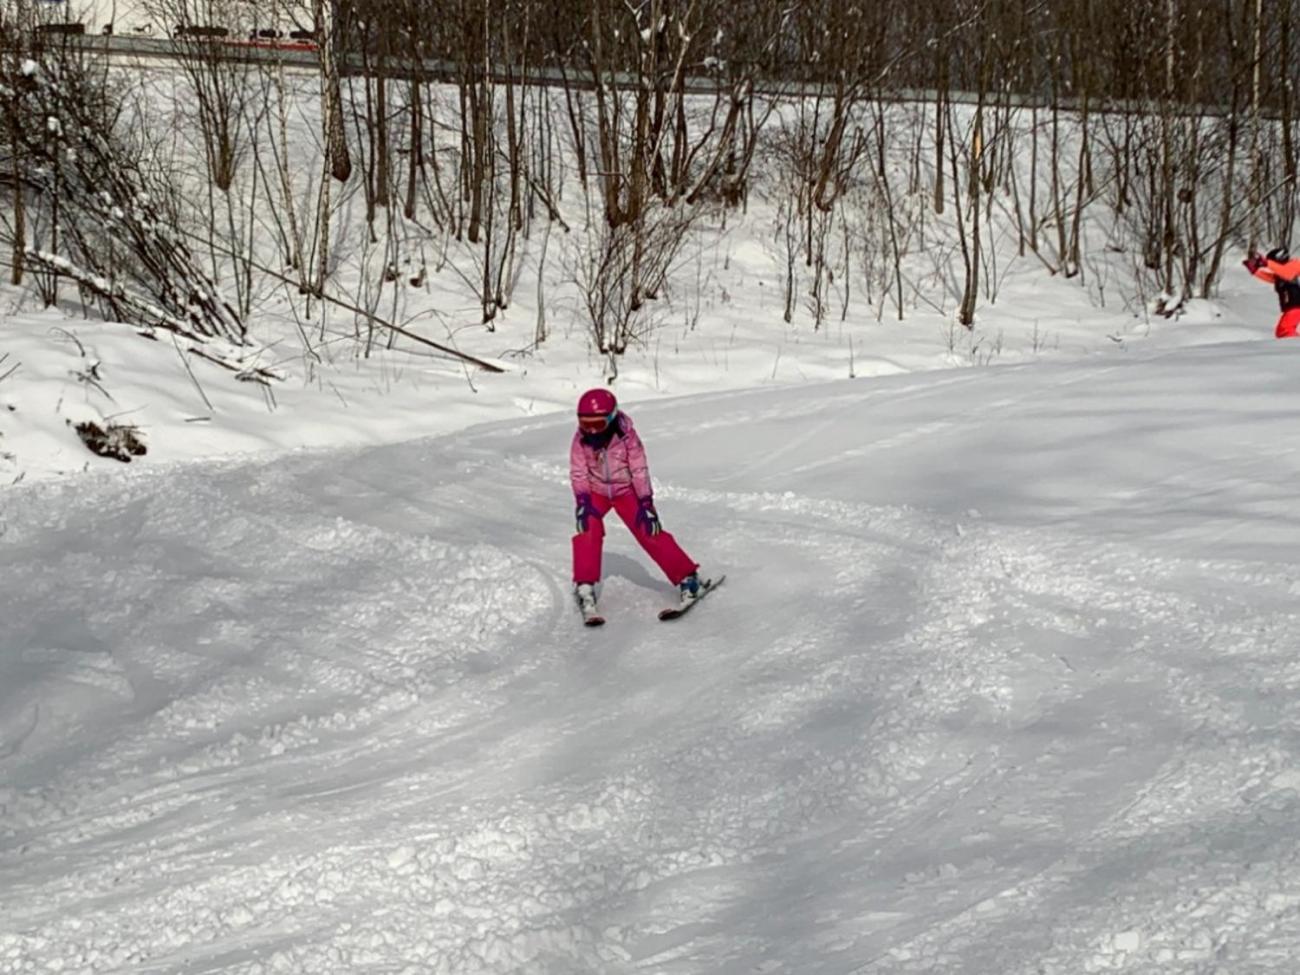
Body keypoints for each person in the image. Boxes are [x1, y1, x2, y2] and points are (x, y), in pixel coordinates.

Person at [569, 388, 702, 614]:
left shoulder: (626, 437)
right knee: (587, 526)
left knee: (648, 529)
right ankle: (584, 586)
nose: (591, 430)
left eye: (598, 424)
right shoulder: (581, 440)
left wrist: (646, 503)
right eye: (585, 423)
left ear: (611, 419)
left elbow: (639, 470)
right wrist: (582, 501)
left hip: (625, 490)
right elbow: (578, 472)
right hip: (597, 492)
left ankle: (688, 578)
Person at [1244, 245, 1300, 338]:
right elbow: (1271, 278)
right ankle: (1291, 347)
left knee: (1284, 330)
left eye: (1274, 262)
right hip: (1291, 305)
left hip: (1296, 303)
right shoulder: (1281, 272)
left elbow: (1288, 274)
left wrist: (1267, 263)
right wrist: (1255, 270)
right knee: (1282, 331)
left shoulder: (1293, 264)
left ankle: (1292, 347)